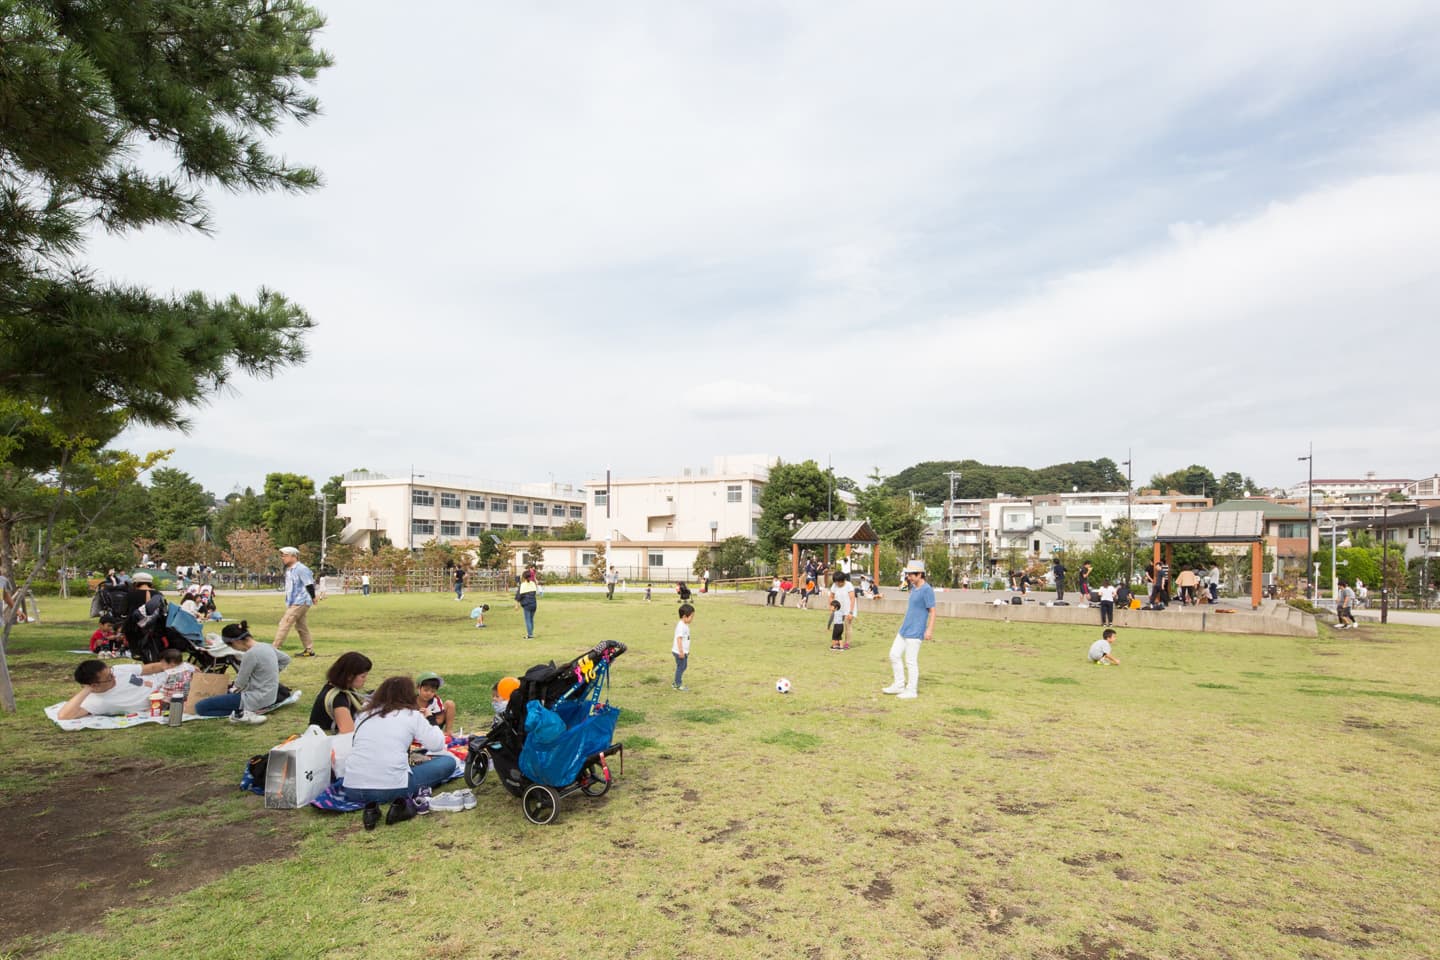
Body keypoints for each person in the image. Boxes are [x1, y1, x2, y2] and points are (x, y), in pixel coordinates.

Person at [343, 676, 458, 830]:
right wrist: (430, 719)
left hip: (352, 788)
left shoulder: (362, 715)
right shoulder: (411, 715)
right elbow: (437, 744)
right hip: (393, 787)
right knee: (448, 762)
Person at [195, 621, 292, 724]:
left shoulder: (250, 654)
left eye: (231, 646)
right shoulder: (266, 646)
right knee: (222, 698)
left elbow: (240, 683)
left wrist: (232, 687)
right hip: (270, 697)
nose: (234, 649)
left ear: (236, 642)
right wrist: (271, 672)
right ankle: (242, 711)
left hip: (254, 698)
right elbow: (286, 659)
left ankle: (241, 713)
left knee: (200, 707)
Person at [56, 658, 176, 719]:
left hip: (170, 677)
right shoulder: (95, 701)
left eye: (111, 673)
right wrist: (86, 690)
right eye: (109, 678)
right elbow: (64, 716)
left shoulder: (118, 670)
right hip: (169, 696)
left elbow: (150, 668)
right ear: (94, 685)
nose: (114, 677)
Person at [884, 560, 935, 700]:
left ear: (920, 574)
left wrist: (929, 630)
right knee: (894, 655)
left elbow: (932, 611)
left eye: (911, 574)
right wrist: (905, 583)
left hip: (916, 630)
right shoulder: (913, 588)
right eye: (908, 574)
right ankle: (899, 685)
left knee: (910, 661)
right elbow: (903, 591)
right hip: (904, 628)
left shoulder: (927, 590)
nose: (909, 577)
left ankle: (912, 690)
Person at [308, 651, 372, 734]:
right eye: (363, 676)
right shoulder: (338, 700)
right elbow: (348, 733)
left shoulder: (338, 688)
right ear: (349, 676)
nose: (365, 679)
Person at [274, 546, 316, 657]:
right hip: (294, 602)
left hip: (301, 601)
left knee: (285, 623)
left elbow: (309, 584)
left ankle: (274, 649)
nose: (283, 558)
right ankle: (309, 649)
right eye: (282, 556)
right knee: (301, 626)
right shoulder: (289, 570)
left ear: (293, 556)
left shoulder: (301, 569)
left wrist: (313, 597)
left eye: (285, 555)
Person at [416, 671, 458, 740]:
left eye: (433, 691)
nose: (429, 693)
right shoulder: (412, 701)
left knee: (450, 704)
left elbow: (440, 719)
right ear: (418, 687)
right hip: (417, 727)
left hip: (434, 725)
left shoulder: (436, 700)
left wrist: (428, 718)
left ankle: (448, 732)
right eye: (426, 690)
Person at [830, 571, 855, 649]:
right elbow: (831, 597)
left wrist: (851, 612)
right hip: (838, 610)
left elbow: (852, 598)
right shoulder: (834, 585)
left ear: (843, 580)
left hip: (848, 609)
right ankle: (837, 642)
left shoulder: (849, 585)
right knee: (837, 626)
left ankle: (847, 643)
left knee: (847, 626)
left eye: (839, 582)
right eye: (836, 582)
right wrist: (832, 607)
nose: (837, 583)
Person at [672, 602, 694, 691]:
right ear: (685, 616)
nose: (692, 619)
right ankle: (677, 684)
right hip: (679, 652)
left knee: (683, 666)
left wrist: (686, 651)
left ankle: (676, 682)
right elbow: (679, 639)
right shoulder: (681, 626)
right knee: (681, 667)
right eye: (691, 616)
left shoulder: (685, 625)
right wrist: (681, 652)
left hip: (683, 651)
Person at [515, 569, 538, 638]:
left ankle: (530, 635)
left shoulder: (522, 585)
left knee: (528, 620)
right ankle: (531, 633)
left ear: (523, 577)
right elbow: (534, 593)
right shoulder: (533, 583)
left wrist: (517, 605)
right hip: (534, 604)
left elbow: (519, 596)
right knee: (531, 619)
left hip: (527, 605)